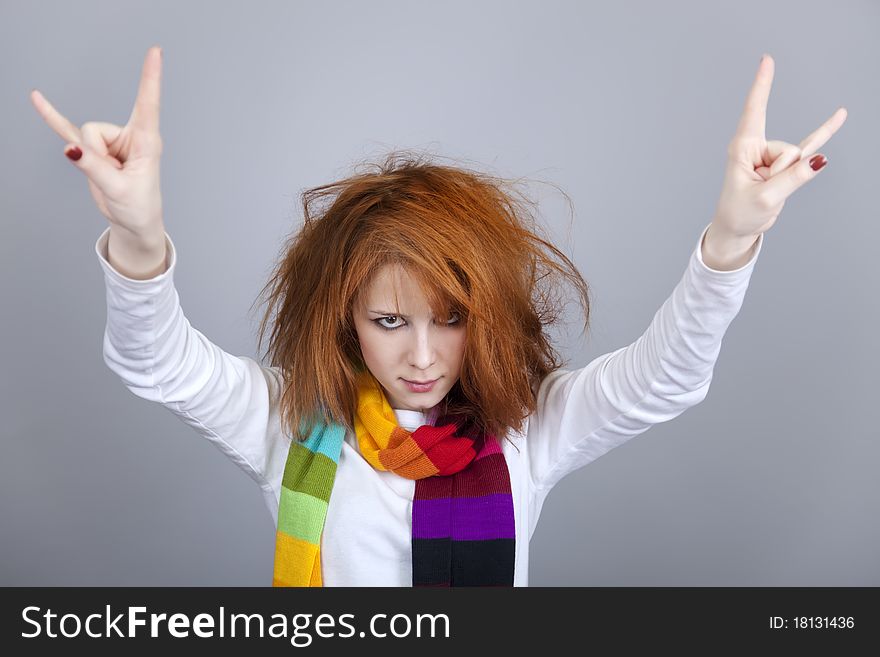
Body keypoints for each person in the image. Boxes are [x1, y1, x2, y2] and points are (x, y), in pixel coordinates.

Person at [31, 46, 847, 587]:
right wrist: (135, 233)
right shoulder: (286, 421)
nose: (422, 354)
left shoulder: (531, 427)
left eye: (450, 319)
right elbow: (157, 359)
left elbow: (667, 376)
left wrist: (734, 234)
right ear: (344, 320)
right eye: (389, 322)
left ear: (483, 315)